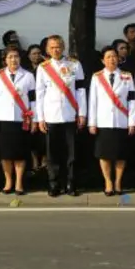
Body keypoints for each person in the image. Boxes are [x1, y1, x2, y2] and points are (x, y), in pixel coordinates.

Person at [36, 35, 87, 197]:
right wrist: (40, 118)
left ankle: (71, 183)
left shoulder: (74, 64)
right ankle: (54, 184)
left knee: (71, 154)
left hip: (70, 114)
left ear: (63, 47)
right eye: (52, 47)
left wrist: (82, 113)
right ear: (47, 50)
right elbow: (39, 94)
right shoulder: (43, 68)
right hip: (51, 116)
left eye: (58, 46)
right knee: (52, 154)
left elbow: (81, 91)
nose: (55, 50)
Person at [88, 46, 135, 196]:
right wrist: (92, 122)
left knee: (121, 155)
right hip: (103, 121)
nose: (112, 59)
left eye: (114, 56)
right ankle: (108, 181)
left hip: (121, 121)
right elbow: (93, 101)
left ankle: (118, 182)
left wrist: (132, 121)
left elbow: (132, 101)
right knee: (104, 154)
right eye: (108, 56)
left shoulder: (127, 76)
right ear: (103, 60)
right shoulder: (97, 77)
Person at [0, 45, 37, 195]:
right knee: (5, 153)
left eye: (16, 56)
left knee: (20, 152)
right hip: (3, 118)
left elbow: (33, 99)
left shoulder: (28, 76)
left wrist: (34, 118)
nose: (13, 60)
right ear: (5, 60)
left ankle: (18, 182)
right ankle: (8, 181)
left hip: (21, 119)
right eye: (10, 57)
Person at [23, 44, 47, 172]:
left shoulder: (46, 67)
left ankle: (44, 159)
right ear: (28, 55)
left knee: (42, 135)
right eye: (34, 53)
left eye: (39, 53)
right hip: (29, 105)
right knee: (31, 135)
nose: (36, 56)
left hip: (43, 104)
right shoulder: (25, 71)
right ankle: (34, 160)